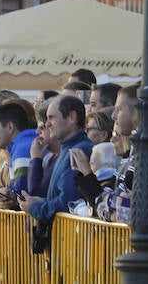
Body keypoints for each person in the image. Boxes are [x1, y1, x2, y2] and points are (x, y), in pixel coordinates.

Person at [18, 95, 94, 223]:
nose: (47, 124)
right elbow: (55, 196)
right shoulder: (66, 150)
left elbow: (67, 202)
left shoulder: (79, 150)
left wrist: (35, 208)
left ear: (72, 117)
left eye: (51, 118)